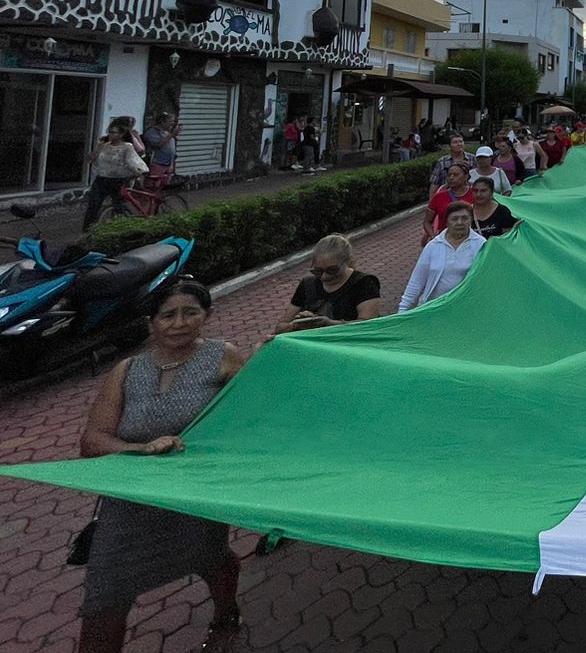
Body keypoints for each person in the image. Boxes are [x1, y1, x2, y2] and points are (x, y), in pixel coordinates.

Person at [77, 282, 247, 653]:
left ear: (207, 316)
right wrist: (142, 448)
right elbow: (93, 441)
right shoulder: (126, 370)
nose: (180, 323)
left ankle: (225, 610)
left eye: (191, 313)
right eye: (168, 315)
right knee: (104, 594)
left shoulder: (224, 357)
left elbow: (254, 419)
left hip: (195, 495)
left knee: (211, 558)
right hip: (130, 502)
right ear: (151, 322)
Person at [273, 234, 381, 333]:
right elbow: (280, 327)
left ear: (347, 262)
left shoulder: (364, 284)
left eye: (332, 270)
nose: (325, 276)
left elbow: (368, 326)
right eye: (317, 271)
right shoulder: (307, 285)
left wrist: (329, 324)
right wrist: (298, 324)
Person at [399, 201, 486, 311]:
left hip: (466, 309)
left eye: (465, 218)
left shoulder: (481, 244)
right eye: (454, 219)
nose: (460, 222)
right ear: (446, 222)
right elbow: (417, 281)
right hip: (434, 308)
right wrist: (402, 310)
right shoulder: (433, 246)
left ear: (471, 220)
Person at [82, 122, 148, 232]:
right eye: (110, 132)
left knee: (118, 206)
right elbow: (91, 160)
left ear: (121, 134)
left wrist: (139, 172)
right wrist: (99, 147)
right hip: (102, 179)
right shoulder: (105, 146)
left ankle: (123, 228)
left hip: (119, 180)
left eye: (113, 133)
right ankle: (87, 231)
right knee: (93, 206)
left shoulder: (127, 147)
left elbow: (134, 162)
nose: (110, 135)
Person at [423, 163, 473, 243]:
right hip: (445, 240)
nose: (451, 178)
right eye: (449, 175)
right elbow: (427, 221)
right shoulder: (439, 197)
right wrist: (433, 236)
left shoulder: (475, 194)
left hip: (470, 239)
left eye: (456, 175)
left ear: (466, 177)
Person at [141, 111, 181, 185]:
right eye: (170, 121)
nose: (172, 123)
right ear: (162, 122)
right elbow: (158, 145)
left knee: (164, 186)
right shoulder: (152, 132)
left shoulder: (166, 132)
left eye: (173, 121)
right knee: (153, 185)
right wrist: (172, 135)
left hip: (169, 164)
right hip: (157, 163)